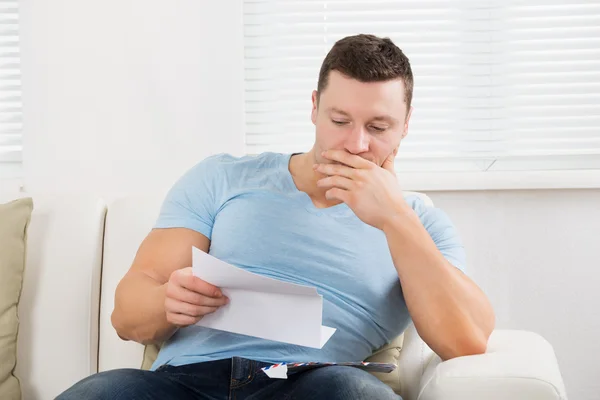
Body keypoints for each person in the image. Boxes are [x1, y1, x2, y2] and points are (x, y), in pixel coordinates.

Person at [57, 33, 495, 400]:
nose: (356, 144)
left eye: (378, 128)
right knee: (101, 391)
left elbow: (466, 341)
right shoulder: (222, 178)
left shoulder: (420, 224)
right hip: (186, 382)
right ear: (313, 108)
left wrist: (395, 218)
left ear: (406, 125)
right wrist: (166, 302)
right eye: (339, 120)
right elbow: (125, 318)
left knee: (352, 391)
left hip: (313, 382)